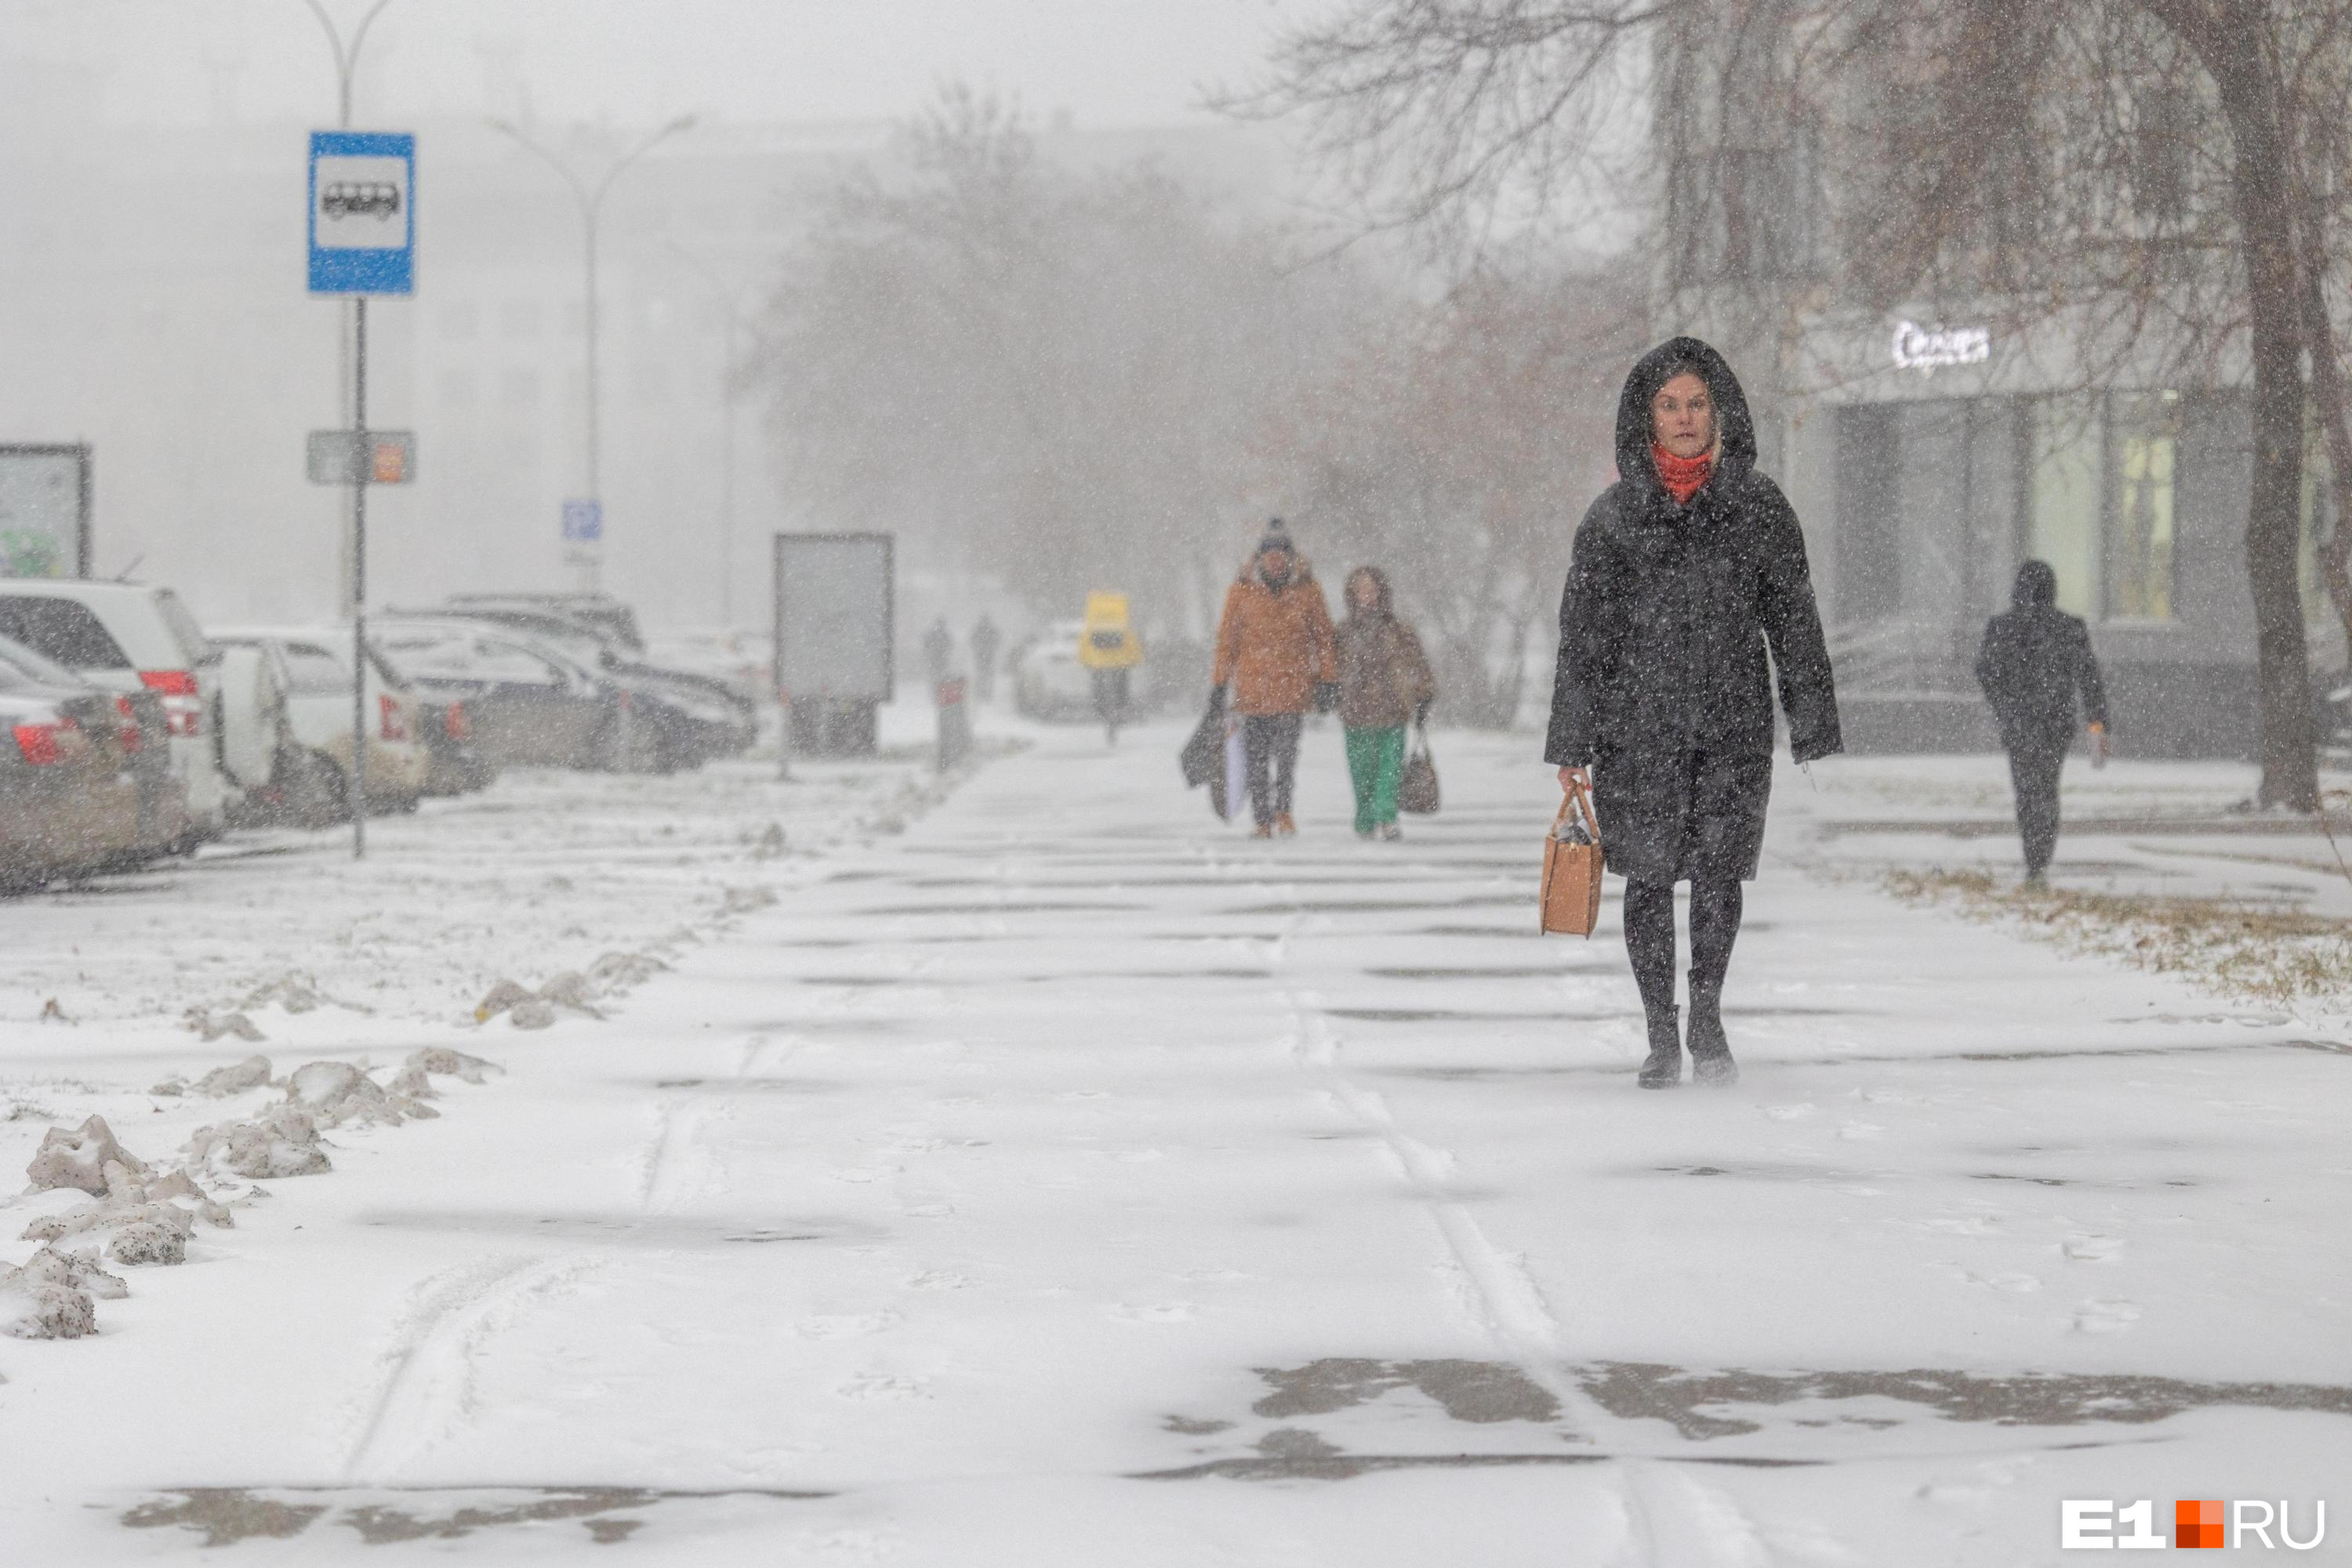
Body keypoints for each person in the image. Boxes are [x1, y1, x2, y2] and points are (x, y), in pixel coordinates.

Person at [1547, 337, 1842, 1090]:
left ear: (1721, 412)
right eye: (1669, 405)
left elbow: (1793, 615)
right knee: (1647, 879)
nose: (1684, 419)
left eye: (1697, 404)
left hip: (1733, 726)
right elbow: (1584, 638)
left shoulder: (1759, 507)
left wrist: (1809, 714)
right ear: (1646, 418)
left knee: (1718, 875)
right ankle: (1659, 1035)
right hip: (1634, 731)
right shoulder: (1613, 520)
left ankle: (1706, 1013)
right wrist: (1573, 740)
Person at [1975, 560, 2111, 885]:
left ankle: (2032, 853)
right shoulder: (2069, 627)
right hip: (2056, 722)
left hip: (2019, 723)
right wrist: (2098, 720)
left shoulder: (2002, 627)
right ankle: (2042, 854)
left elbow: (1985, 672)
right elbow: (2089, 677)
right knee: (2048, 786)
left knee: (2025, 787)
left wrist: (2004, 704)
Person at [1213, 519, 1338, 838]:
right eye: (1269, 555)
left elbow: (1324, 638)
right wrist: (1219, 683)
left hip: (1292, 689)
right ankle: (1262, 820)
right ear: (1260, 558)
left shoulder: (1308, 591)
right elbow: (1227, 640)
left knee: (1285, 758)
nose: (1276, 561)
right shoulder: (1241, 591)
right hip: (1252, 691)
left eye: (1282, 554)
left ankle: (1283, 811)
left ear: (1291, 558)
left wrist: (1327, 680)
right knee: (1256, 761)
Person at [1335, 565, 1435, 841]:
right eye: (1361, 589)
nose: (1367, 594)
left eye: (1371, 588)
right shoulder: (1343, 632)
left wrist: (1424, 695)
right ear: (1352, 594)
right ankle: (1365, 818)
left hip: (1393, 709)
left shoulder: (1399, 630)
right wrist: (1327, 690)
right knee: (1361, 770)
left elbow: (1417, 664)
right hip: (1356, 711)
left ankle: (1387, 817)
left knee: (1389, 769)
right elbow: (1330, 667)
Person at [970, 614, 1002, 702]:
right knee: (987, 674)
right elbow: (998, 639)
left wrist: (978, 648)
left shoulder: (979, 630)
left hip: (981, 655)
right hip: (987, 655)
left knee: (982, 674)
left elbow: (972, 640)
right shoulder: (991, 630)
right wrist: (992, 647)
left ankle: (983, 691)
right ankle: (987, 692)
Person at [922, 618, 955, 687]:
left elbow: (927, 645)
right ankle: (939, 685)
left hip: (938, 657)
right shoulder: (943, 635)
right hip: (939, 657)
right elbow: (950, 645)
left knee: (937, 673)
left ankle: (937, 685)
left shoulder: (935, 634)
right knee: (939, 672)